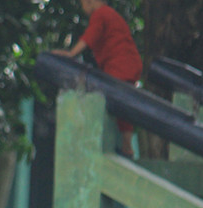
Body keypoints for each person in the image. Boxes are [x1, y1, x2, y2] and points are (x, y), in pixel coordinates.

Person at [51, 0, 142, 158]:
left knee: (117, 101)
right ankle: (127, 145)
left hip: (119, 64)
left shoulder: (101, 14)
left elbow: (90, 36)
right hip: (128, 64)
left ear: (90, 2)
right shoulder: (112, 15)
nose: (82, 8)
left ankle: (126, 146)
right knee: (122, 106)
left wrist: (71, 53)